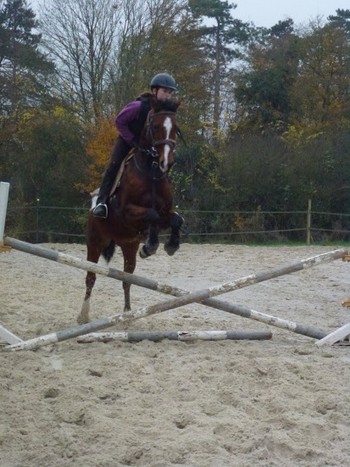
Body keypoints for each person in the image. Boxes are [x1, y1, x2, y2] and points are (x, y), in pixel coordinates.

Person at [92, 72, 177, 219]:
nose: (167, 95)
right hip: (128, 140)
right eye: (164, 91)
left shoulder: (165, 112)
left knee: (163, 166)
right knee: (114, 164)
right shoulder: (138, 106)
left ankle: (166, 205)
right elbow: (119, 121)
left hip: (150, 144)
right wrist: (131, 140)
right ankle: (101, 202)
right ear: (154, 91)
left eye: (170, 92)